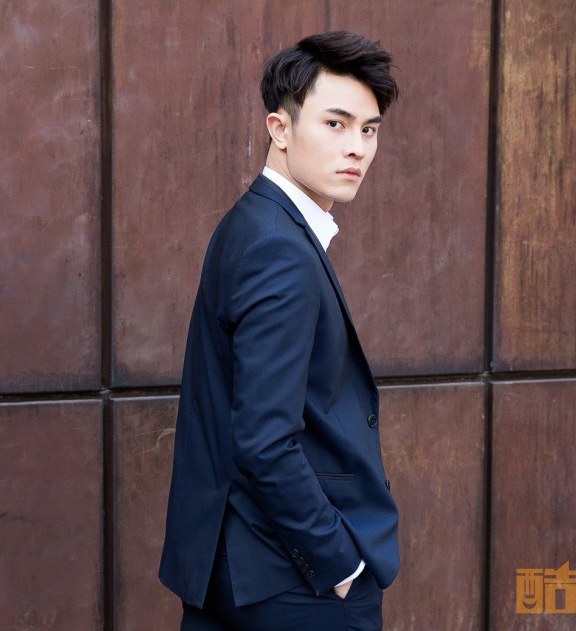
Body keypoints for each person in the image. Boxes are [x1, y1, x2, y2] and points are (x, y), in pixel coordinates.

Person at [159, 31, 400, 631]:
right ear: (280, 128)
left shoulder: (252, 224)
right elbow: (264, 439)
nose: (357, 148)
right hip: (289, 580)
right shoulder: (279, 248)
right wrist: (338, 562)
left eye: (369, 129)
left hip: (231, 564)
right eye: (335, 124)